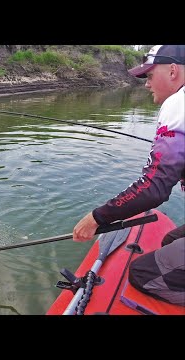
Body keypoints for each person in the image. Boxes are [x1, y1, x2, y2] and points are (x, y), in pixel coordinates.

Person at [72, 45, 185, 306]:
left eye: (148, 75)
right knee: (170, 240)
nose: (146, 85)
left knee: (142, 275)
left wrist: (96, 217)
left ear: (172, 71)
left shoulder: (179, 104)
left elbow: (153, 187)